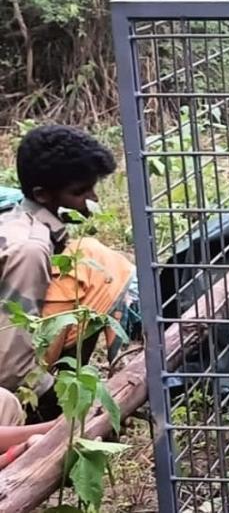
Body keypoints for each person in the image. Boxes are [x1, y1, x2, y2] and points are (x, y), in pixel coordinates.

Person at [0, 125, 138, 425]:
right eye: (79, 192)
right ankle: (46, 414)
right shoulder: (29, 249)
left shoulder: (17, 215)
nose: (92, 200)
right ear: (42, 195)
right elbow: (10, 367)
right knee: (99, 271)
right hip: (7, 388)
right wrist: (65, 405)